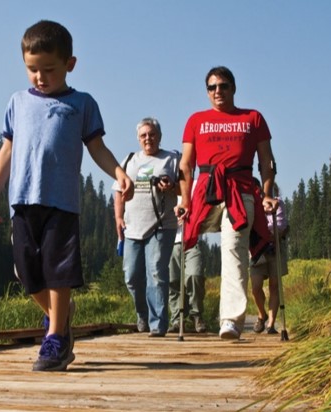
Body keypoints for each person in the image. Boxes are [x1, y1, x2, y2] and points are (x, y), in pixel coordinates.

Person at [0, 20, 133, 372]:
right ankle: (58, 316)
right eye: (32, 69)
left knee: (59, 273)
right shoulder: (17, 102)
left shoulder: (81, 104)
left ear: (70, 64)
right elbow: (6, 150)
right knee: (26, 272)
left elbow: (96, 147)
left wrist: (118, 171)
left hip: (62, 203)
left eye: (48, 69)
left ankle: (55, 341)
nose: (39, 77)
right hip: (23, 200)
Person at [176, 66, 279, 340]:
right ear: (207, 92)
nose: (217, 91)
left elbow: (266, 161)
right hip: (206, 188)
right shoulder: (196, 120)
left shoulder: (253, 118)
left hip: (240, 189)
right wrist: (185, 199)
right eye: (212, 87)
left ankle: (230, 320)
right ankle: (181, 312)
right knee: (188, 242)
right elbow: (186, 165)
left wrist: (266, 192)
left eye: (223, 86)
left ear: (234, 88)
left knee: (233, 248)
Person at [114, 117, 180, 337]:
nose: (148, 138)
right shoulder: (129, 160)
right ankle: (142, 314)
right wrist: (118, 217)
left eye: (152, 134)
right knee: (131, 276)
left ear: (159, 136)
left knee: (156, 274)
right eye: (143, 135)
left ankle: (158, 324)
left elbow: (186, 186)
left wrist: (171, 186)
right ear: (138, 138)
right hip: (132, 227)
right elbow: (118, 189)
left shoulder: (172, 159)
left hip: (161, 225)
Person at [168, 191, 206, 334]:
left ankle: (196, 314)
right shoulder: (166, 187)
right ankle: (178, 320)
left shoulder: (195, 185)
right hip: (172, 239)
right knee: (174, 281)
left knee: (194, 275)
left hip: (192, 239)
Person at [250, 194, 289, 334]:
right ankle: (262, 314)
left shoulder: (278, 203)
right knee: (255, 287)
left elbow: (281, 225)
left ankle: (270, 324)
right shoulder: (253, 202)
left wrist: (268, 213)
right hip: (257, 248)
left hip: (274, 246)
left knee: (274, 284)